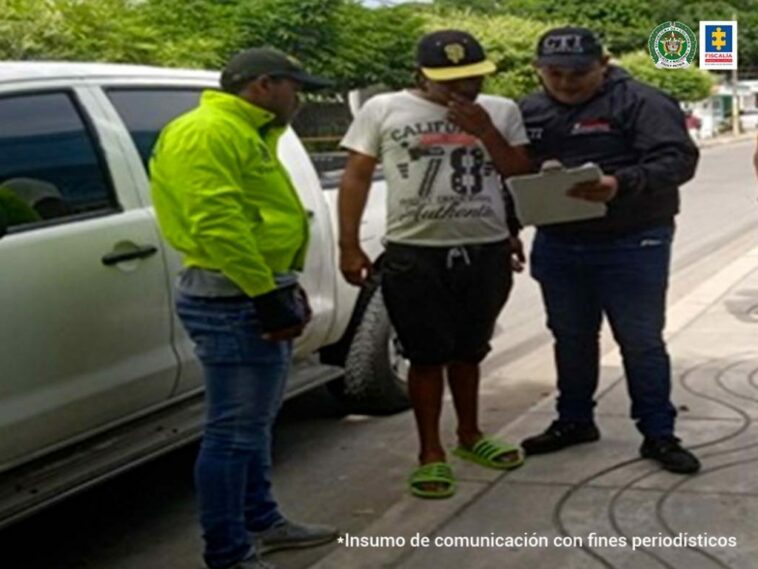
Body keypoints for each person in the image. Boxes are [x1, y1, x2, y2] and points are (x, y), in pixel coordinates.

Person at [150, 48, 337, 569]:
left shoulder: (244, 130)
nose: (299, 98)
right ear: (262, 85)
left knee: (254, 426)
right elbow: (217, 222)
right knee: (232, 434)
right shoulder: (207, 131)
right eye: (293, 87)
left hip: (252, 291)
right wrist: (264, 293)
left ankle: (263, 520)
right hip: (233, 298)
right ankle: (228, 554)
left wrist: (277, 287)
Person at [339, 30, 532, 499]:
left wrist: (485, 130)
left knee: (470, 350)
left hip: (485, 249)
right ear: (419, 74)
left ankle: (470, 436)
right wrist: (349, 244)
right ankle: (430, 453)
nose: (462, 88)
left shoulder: (502, 110)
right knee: (426, 356)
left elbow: (519, 176)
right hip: (415, 251)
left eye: (471, 77)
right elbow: (356, 177)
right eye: (449, 80)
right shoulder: (383, 109)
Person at [518, 27, 701, 474]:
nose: (565, 83)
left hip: (634, 240)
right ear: (538, 70)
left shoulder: (641, 101)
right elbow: (513, 167)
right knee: (571, 337)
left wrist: (618, 185)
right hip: (560, 242)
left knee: (640, 342)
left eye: (578, 72)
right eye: (554, 73)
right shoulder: (529, 109)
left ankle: (659, 434)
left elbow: (679, 160)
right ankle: (574, 421)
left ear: (603, 63)